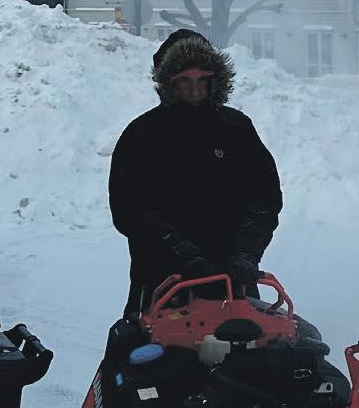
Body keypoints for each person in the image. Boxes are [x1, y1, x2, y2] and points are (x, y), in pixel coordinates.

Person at [109, 29, 282, 317]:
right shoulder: (142, 135)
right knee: (137, 344)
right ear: (168, 82)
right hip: (162, 283)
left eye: (202, 79)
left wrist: (247, 254)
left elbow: (265, 198)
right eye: (184, 80)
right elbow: (128, 208)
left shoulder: (236, 129)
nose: (194, 89)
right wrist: (180, 250)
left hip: (232, 282)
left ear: (215, 80)